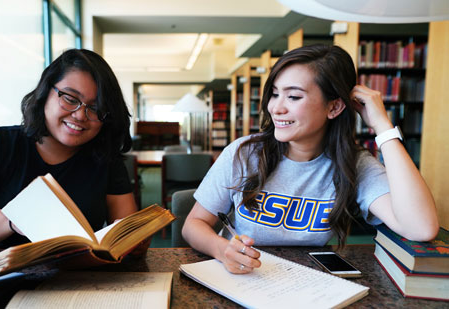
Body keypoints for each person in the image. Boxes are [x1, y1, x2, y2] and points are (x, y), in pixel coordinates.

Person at [182, 44, 439, 274]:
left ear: (334, 107)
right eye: (274, 93)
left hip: (309, 283)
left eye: (293, 96)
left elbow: (420, 228)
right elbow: (194, 224)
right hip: (244, 276)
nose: (276, 108)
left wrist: (383, 128)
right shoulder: (244, 153)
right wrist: (221, 248)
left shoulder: (354, 164)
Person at [0, 49, 139, 253]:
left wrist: (134, 239)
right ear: (45, 92)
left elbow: (128, 236)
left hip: (72, 282)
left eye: (96, 107)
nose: (81, 115)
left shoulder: (104, 158)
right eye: (70, 99)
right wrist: (15, 218)